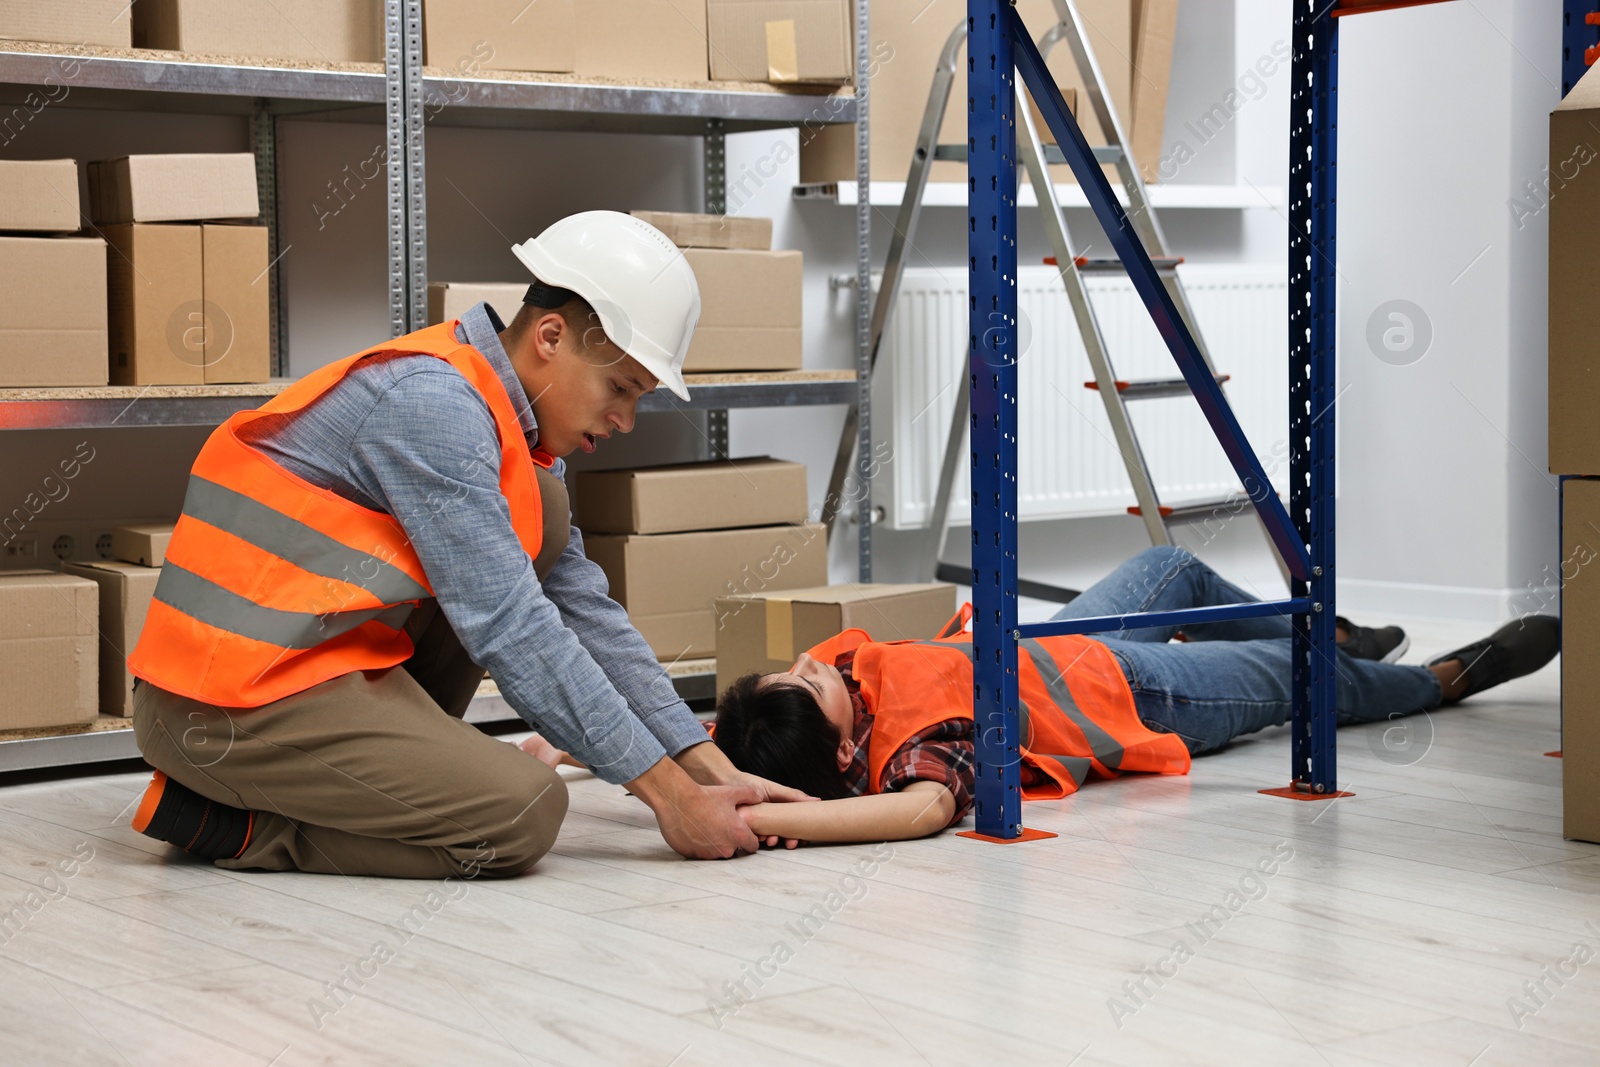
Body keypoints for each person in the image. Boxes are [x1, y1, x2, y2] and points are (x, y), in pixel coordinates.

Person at [124, 211, 811, 878]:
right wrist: (671, 799)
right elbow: (513, 626)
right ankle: (232, 822)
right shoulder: (436, 407)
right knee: (522, 812)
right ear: (550, 336)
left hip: (317, 669)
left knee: (541, 508)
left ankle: (379, 779)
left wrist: (710, 766)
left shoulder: (507, 429)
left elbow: (583, 613)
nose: (626, 419)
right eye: (621, 388)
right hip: (221, 702)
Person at [528, 545, 1561, 845]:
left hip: (1050, 637)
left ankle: (1321, 623)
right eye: (809, 686)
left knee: (1170, 566)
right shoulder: (911, 748)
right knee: (1301, 687)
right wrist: (808, 818)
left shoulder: (782, 711)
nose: (812, 664)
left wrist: (570, 755)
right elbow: (929, 807)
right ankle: (1428, 680)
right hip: (1137, 692)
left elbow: (682, 733)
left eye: (794, 669)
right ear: (842, 754)